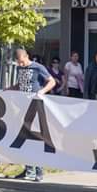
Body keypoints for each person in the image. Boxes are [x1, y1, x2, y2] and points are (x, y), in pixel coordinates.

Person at [8, 47, 57, 182]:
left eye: (22, 61)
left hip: (35, 106)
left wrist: (42, 91)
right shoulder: (19, 68)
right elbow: (21, 84)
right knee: (24, 138)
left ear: (26, 56)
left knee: (35, 138)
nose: (20, 64)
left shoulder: (37, 67)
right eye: (18, 62)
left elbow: (52, 81)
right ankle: (28, 169)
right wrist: (10, 89)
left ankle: (39, 170)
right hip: (23, 106)